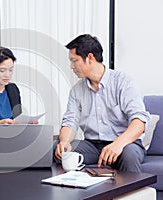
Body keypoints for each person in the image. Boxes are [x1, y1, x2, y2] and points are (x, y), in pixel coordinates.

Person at [54, 34, 150, 173]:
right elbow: (70, 121)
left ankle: (130, 194)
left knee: (129, 155)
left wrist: (117, 144)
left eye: (74, 61)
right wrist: (64, 141)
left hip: (125, 144)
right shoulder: (77, 90)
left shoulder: (123, 82)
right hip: (92, 146)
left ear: (90, 58)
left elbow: (139, 121)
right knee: (55, 150)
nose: (71, 66)